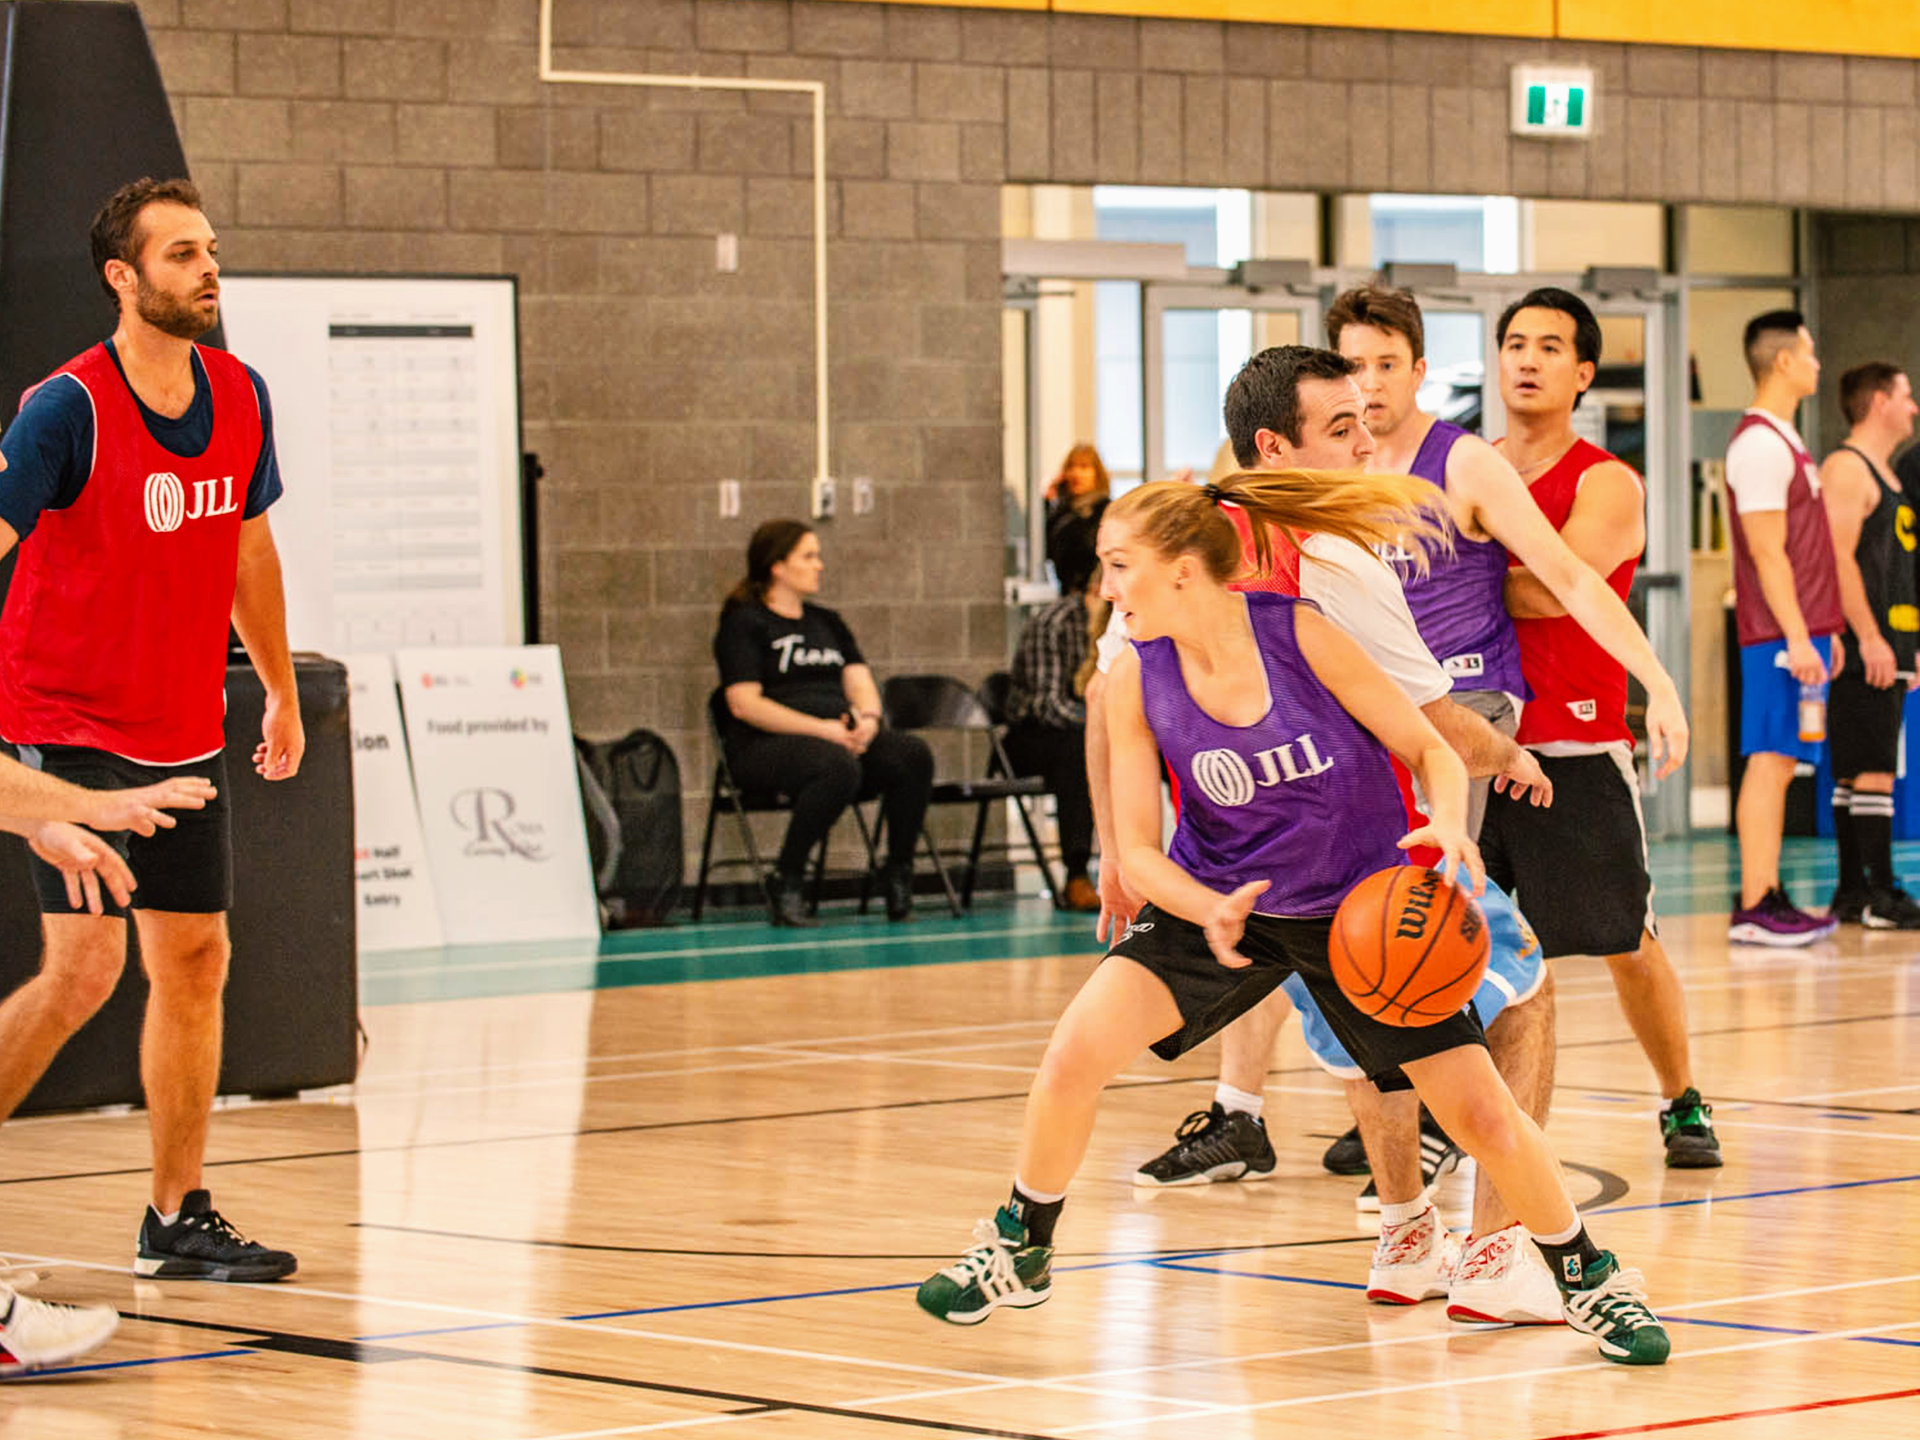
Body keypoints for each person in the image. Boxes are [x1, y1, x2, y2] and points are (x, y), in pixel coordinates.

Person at [917, 473, 1670, 1366]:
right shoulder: (1135, 681)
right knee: (1073, 1053)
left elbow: (1428, 742)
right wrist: (1210, 909)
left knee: (1483, 1117)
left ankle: (1588, 1277)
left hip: (1357, 907)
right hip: (1221, 898)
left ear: (1187, 571)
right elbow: (1141, 853)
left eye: (1121, 566)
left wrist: (1438, 820)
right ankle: (1021, 1243)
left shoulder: (1304, 633)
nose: (1108, 588)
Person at [0, 177, 304, 1291]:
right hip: (63, 722)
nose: (208, 268)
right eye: (181, 254)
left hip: (181, 724)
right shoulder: (65, 410)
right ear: (123, 278)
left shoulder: (239, 391)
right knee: (81, 972)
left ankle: (177, 1217)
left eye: (212, 248)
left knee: (194, 960)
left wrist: (276, 686)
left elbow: (249, 551)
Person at [1484, 287, 1723, 1191]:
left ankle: (1682, 1095)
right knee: (1448, 938)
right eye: (1514, 342)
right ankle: (1431, 1109)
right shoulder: (1466, 467)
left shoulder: (1605, 481)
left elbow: (1552, 589)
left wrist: (1449, 574)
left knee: (1627, 938)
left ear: (1583, 372)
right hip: (1471, 744)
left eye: (1550, 345)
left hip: (1574, 744)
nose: (1528, 358)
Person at [714, 518, 934, 926]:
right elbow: (743, 704)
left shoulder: (826, 622)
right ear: (777, 566)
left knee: (910, 754)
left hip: (838, 741)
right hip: (763, 748)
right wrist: (823, 730)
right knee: (836, 764)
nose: (820, 565)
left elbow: (858, 679)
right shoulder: (744, 623)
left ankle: (897, 871)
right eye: (809, 557)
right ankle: (788, 878)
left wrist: (868, 719)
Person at [1724, 310, 1844, 943]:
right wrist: (1798, 636)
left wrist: (1827, 631)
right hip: (1775, 638)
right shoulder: (1760, 445)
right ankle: (1755, 901)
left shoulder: (1787, 440)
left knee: (1785, 760)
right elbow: (1767, 552)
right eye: (1811, 352)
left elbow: (1805, 550)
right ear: (1783, 361)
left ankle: (1769, 892)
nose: (1817, 364)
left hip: (1801, 634)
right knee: (1769, 761)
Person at [1819, 362, 1920, 926]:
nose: (1913, 407)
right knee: (1871, 767)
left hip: (1892, 641)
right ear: (1879, 401)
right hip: (1865, 645)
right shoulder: (1847, 468)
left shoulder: (1888, 472)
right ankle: (1879, 892)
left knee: (1862, 767)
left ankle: (1853, 891)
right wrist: (1869, 635)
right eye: (1906, 396)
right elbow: (1837, 559)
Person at [1002, 554, 1101, 913]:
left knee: (1168, 746)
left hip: (1089, 730)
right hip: (1033, 735)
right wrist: (1104, 728)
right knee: (1078, 748)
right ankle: (1076, 874)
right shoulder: (1055, 623)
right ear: (1094, 592)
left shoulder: (1127, 626)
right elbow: (1048, 705)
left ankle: (1200, 863)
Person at [1043, 443, 1109, 597]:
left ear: (1097, 473)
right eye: (1071, 467)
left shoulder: (1106, 511)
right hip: (1067, 595)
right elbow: (1046, 550)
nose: (1076, 474)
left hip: (1093, 597)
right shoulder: (1062, 512)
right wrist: (1047, 502)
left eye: (1084, 467)